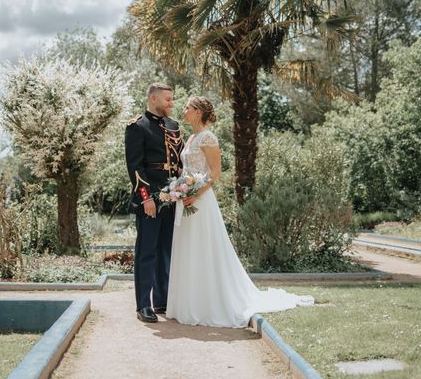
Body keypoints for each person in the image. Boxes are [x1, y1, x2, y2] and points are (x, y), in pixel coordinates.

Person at [166, 96, 314, 328]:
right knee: (189, 248)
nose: (183, 111)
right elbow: (188, 169)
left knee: (204, 248)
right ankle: (189, 303)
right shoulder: (191, 137)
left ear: (198, 112)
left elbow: (215, 173)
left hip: (201, 202)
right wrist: (179, 190)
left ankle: (208, 304)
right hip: (186, 200)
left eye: (187, 108)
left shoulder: (207, 137)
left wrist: (195, 193)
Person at [125, 83, 184, 323]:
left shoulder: (174, 126)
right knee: (146, 252)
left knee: (165, 251)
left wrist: (182, 191)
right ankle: (143, 305)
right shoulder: (137, 126)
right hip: (150, 198)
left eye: (172, 99)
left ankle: (161, 300)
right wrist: (145, 196)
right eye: (167, 99)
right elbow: (135, 166)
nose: (171, 103)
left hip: (172, 198)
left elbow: (179, 163)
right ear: (153, 99)